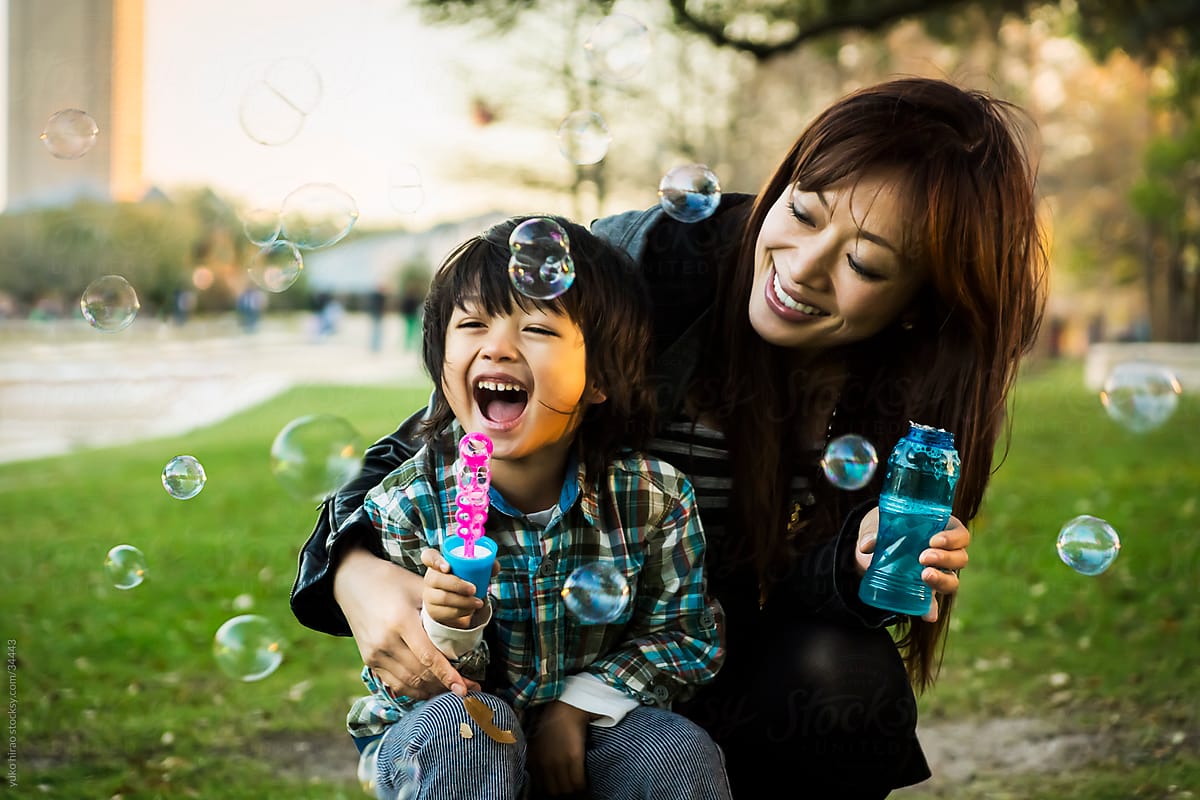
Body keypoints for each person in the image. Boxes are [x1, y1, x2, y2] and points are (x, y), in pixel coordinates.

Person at [291, 77, 1047, 797]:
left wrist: (852, 567)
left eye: (863, 264)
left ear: (919, 303)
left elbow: (789, 601)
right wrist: (354, 573)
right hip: (504, 670)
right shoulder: (652, 265)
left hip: (675, 667)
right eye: (805, 212)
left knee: (846, 682)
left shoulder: (912, 409)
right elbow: (438, 443)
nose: (804, 268)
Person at [343, 216, 729, 799]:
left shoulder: (653, 497)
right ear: (442, 367)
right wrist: (447, 628)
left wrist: (579, 705)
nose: (497, 346)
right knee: (458, 739)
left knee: (677, 757)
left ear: (598, 377)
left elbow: (687, 636)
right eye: (472, 323)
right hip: (448, 726)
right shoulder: (409, 503)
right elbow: (404, 681)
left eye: (538, 330)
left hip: (599, 723)